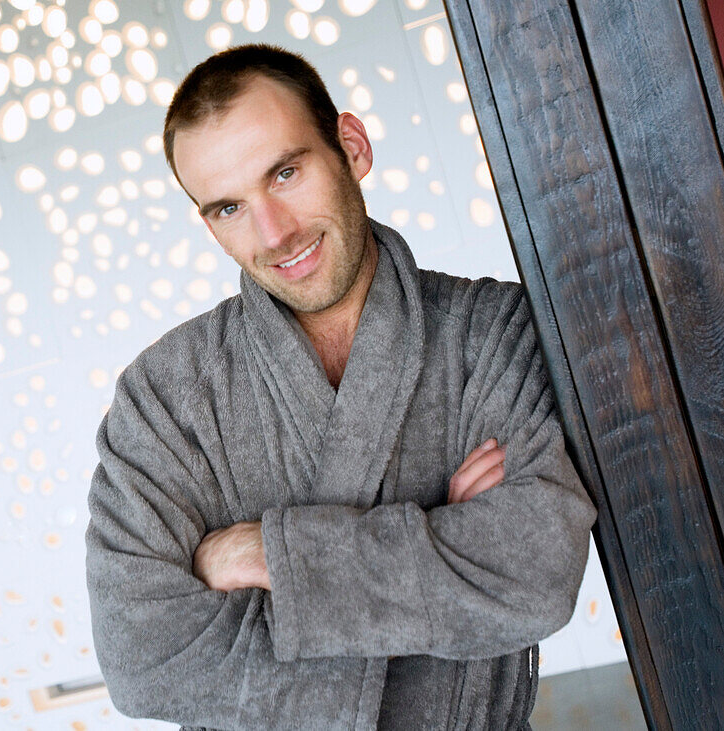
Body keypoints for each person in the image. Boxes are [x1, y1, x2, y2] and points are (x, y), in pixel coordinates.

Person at [85, 44, 596, 730]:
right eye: (229, 207)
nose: (274, 232)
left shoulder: (490, 330)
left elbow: (534, 572)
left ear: (350, 148)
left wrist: (269, 554)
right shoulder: (163, 397)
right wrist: (435, 545)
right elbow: (143, 660)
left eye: (286, 172)